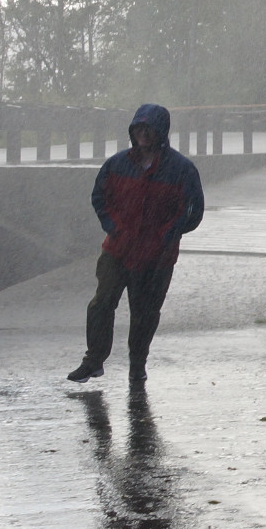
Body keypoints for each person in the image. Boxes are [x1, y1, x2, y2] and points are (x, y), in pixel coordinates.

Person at [67, 103, 204, 386]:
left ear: (161, 132)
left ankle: (137, 364)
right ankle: (93, 360)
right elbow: (100, 198)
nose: (143, 134)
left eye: (148, 129)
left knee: (145, 313)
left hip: (157, 256)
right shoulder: (117, 164)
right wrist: (114, 228)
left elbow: (193, 211)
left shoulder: (182, 170)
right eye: (138, 128)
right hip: (118, 249)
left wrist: (168, 235)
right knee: (102, 303)